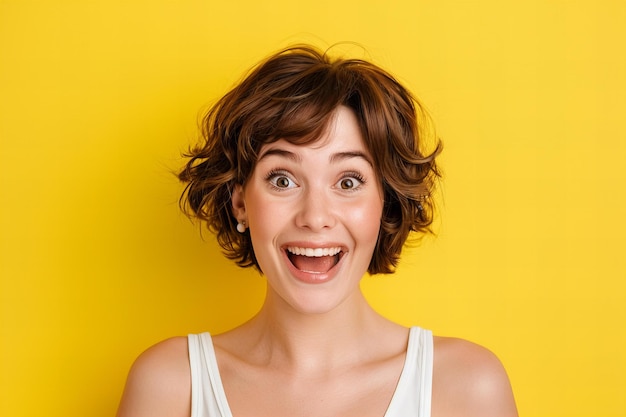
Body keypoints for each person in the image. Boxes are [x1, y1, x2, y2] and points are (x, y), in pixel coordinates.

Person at [116, 45, 518, 417]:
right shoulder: (169, 387)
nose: (315, 216)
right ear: (240, 202)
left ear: (386, 203)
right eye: (282, 179)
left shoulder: (467, 389)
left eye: (347, 182)